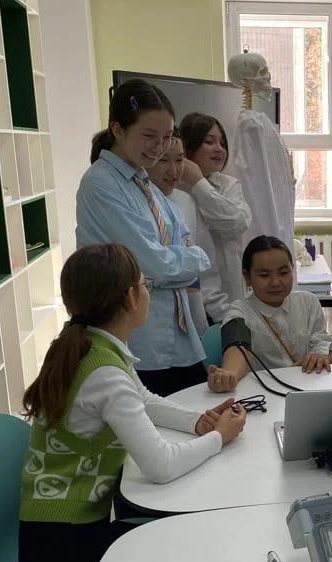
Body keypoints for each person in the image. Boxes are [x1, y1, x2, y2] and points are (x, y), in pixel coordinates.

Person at [18, 244, 247, 562]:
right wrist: (220, 437)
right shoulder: (104, 372)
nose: (147, 292)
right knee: (189, 552)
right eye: (145, 285)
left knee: (179, 542)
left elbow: (143, 399)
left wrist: (197, 421)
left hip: (51, 539)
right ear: (129, 298)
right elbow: (161, 466)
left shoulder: (89, 345)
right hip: (61, 560)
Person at [77, 78, 210, 397]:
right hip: (136, 336)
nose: (159, 146)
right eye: (149, 136)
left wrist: (170, 266)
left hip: (173, 333)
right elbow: (154, 263)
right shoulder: (101, 183)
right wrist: (191, 259)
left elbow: (175, 247)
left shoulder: (144, 181)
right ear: (117, 129)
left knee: (198, 411)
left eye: (167, 137)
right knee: (162, 422)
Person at [207, 235, 332, 393]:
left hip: (306, 391)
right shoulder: (238, 311)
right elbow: (238, 348)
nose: (275, 282)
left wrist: (320, 356)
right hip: (263, 395)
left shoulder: (309, 303)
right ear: (247, 277)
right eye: (264, 275)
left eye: (283, 272)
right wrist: (229, 374)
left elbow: (324, 347)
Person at [179, 112, 251, 323]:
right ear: (188, 147)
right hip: (189, 300)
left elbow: (235, 223)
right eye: (209, 142)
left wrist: (198, 183)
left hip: (229, 298)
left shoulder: (229, 185)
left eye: (222, 143)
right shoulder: (174, 190)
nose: (219, 149)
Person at [146, 130, 208, 336]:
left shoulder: (185, 200)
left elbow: (193, 266)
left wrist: (200, 324)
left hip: (188, 307)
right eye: (163, 160)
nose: (173, 170)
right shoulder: (139, 203)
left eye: (180, 160)